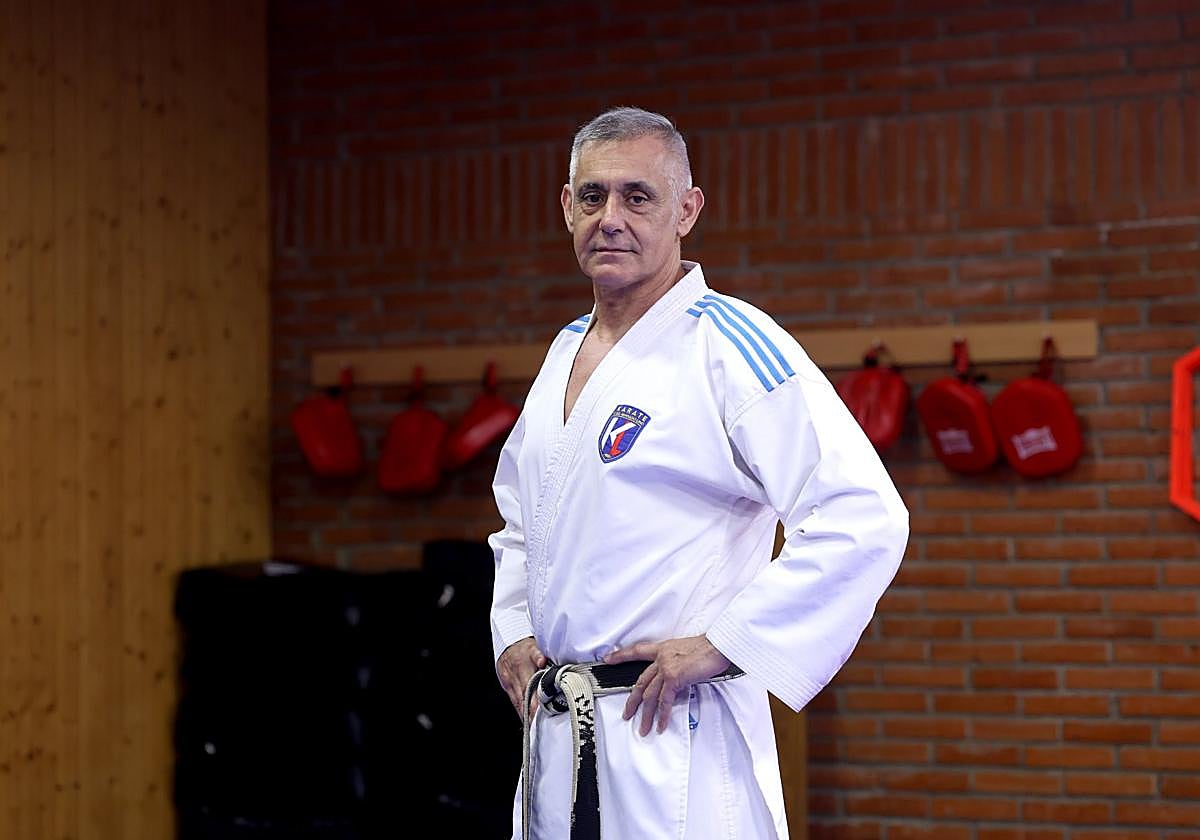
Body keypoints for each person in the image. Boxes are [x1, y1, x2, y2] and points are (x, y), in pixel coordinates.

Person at [488, 106, 909, 840]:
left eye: (637, 197)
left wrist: (726, 643)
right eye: (592, 196)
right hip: (560, 730)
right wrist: (514, 632)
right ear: (566, 208)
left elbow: (863, 514)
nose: (611, 218)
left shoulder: (729, 344)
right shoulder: (563, 351)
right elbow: (522, 521)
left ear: (686, 211)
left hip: (673, 736)